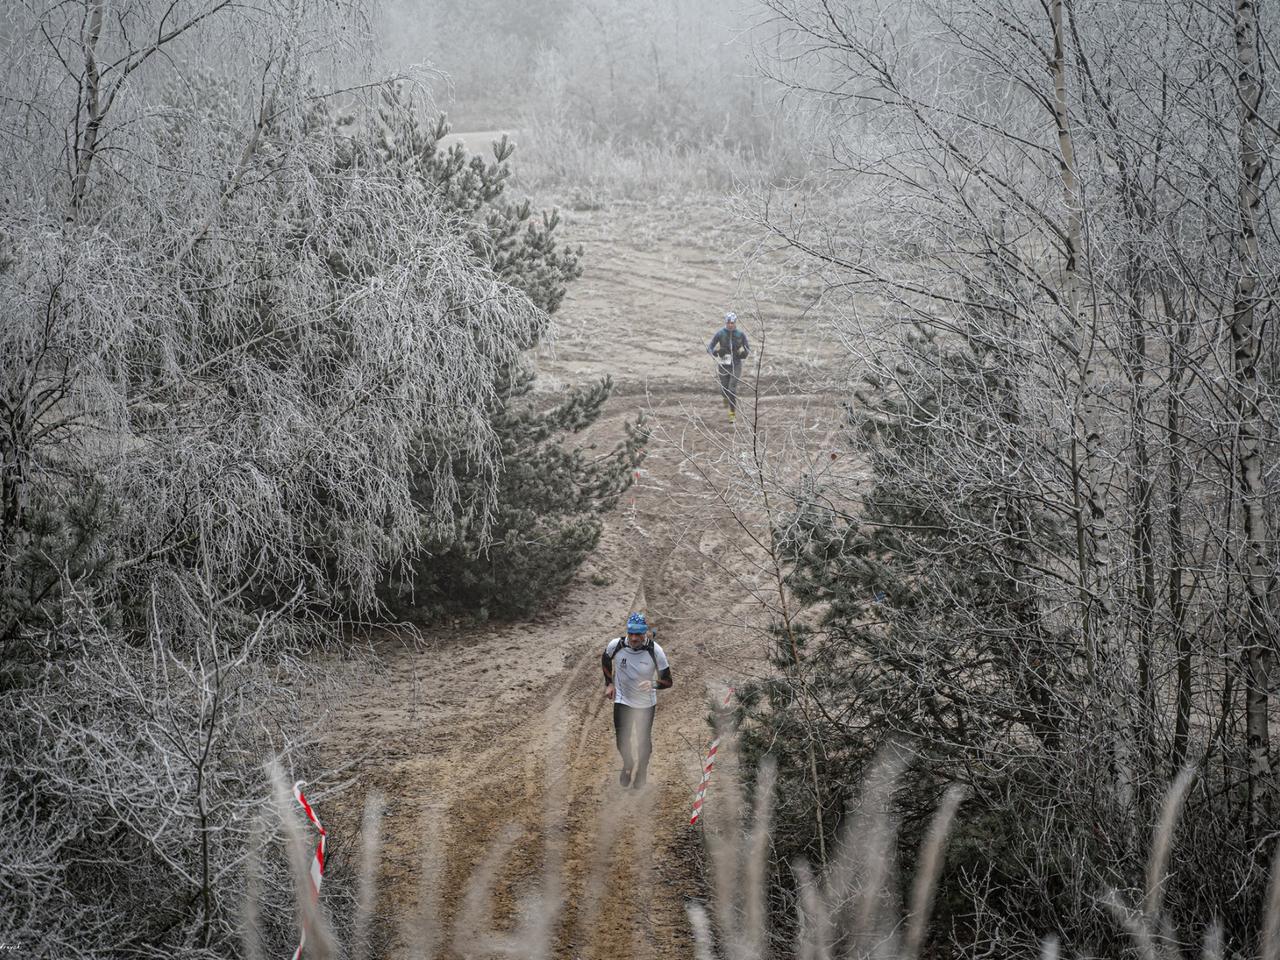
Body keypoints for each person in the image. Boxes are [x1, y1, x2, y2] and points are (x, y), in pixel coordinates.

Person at [602, 612, 672, 788]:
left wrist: (653, 684)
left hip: (645, 704)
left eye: (638, 634)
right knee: (621, 739)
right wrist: (609, 683)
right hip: (622, 699)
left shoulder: (655, 651)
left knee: (643, 740)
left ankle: (642, 771)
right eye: (631, 633)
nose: (634, 638)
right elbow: (605, 659)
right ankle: (628, 763)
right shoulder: (616, 645)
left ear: (645, 633)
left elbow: (668, 681)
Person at [706, 311, 750, 422]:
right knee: (724, 389)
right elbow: (709, 348)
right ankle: (725, 397)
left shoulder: (740, 334)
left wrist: (743, 353)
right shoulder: (720, 334)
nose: (731, 324)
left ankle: (732, 414)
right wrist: (716, 352)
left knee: (732, 388)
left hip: (736, 365)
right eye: (729, 322)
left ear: (735, 323)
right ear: (726, 322)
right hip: (724, 365)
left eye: (733, 323)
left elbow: (747, 349)